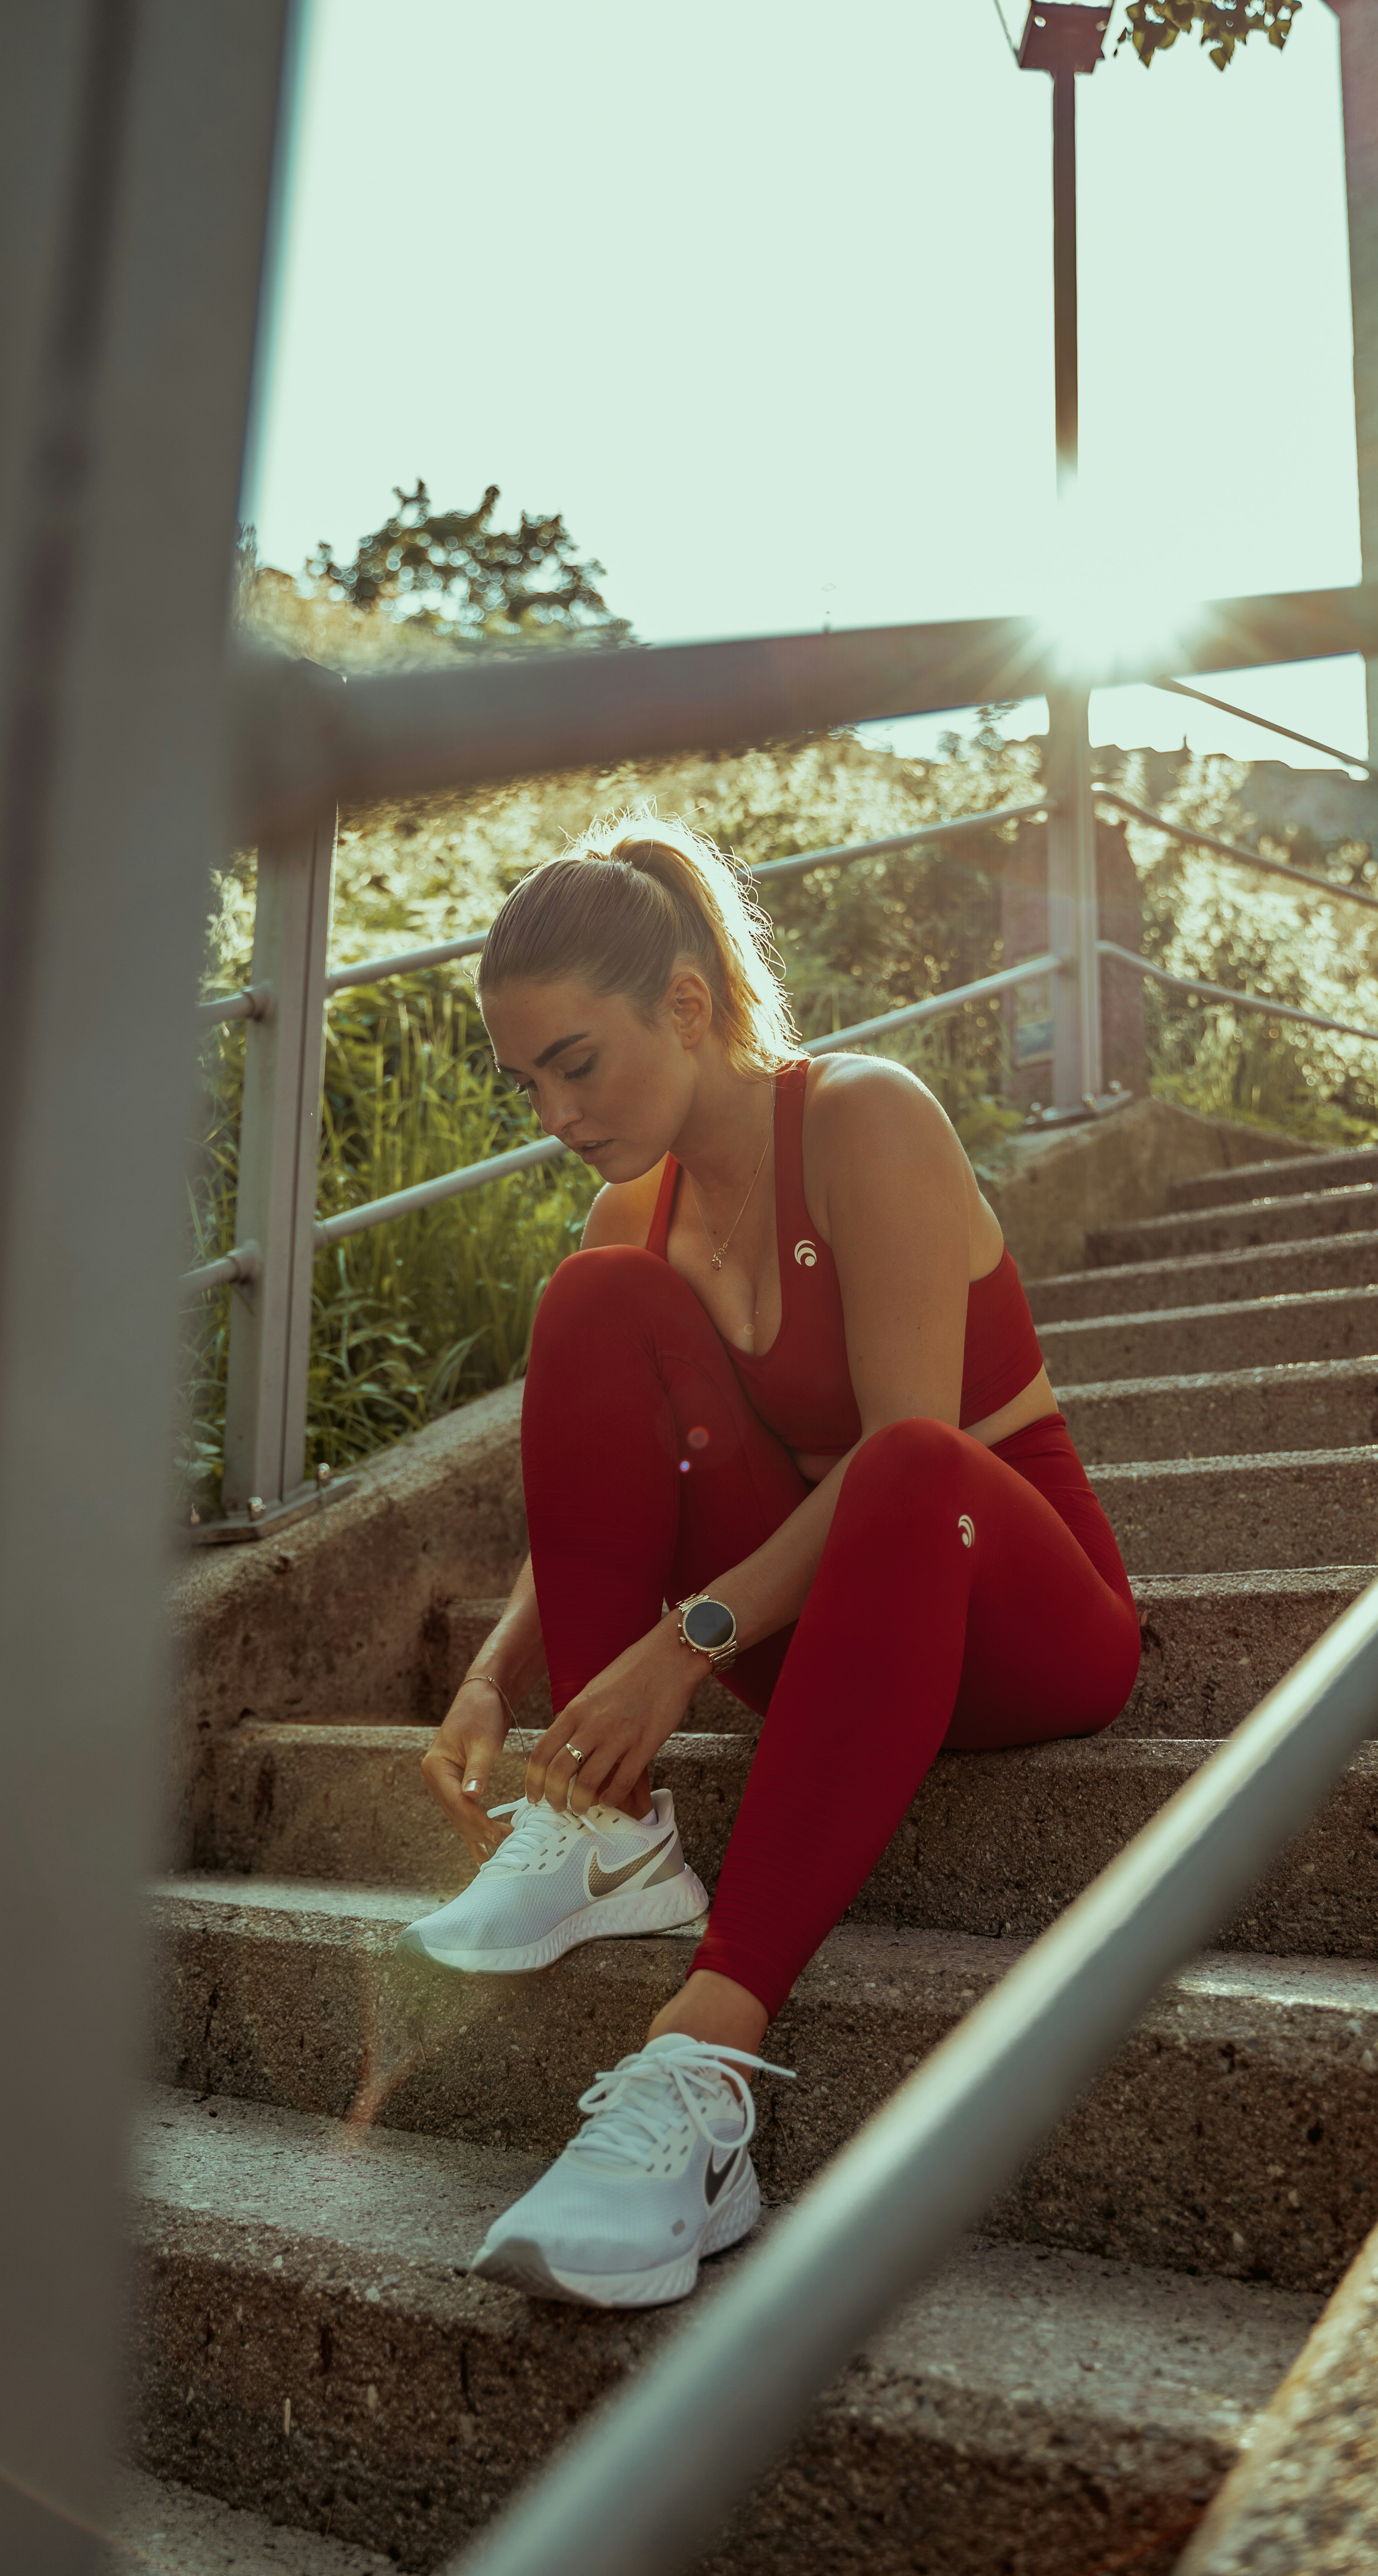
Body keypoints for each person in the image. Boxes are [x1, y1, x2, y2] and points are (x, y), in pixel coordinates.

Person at [402, 806, 1139, 2310]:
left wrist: (683, 1648)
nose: (552, 1109)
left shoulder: (866, 1120)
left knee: (914, 1459)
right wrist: (499, 1674)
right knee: (590, 1306)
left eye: (577, 1062)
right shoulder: (638, 1213)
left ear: (685, 1004)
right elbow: (613, 1487)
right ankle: (600, 1830)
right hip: (813, 1625)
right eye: (526, 1076)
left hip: (1015, 1609)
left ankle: (707, 2060)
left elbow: (902, 1452)